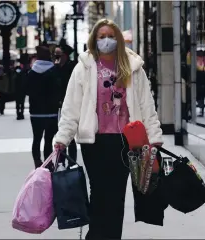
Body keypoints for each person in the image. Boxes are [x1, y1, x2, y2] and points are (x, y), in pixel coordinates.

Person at [54, 19, 163, 240]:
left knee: (117, 195)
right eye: (101, 36)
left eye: (110, 36)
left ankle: (111, 236)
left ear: (119, 39)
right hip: (95, 142)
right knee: (99, 193)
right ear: (94, 39)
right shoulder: (84, 67)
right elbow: (71, 107)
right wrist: (63, 138)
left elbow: (146, 104)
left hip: (126, 141)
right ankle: (95, 235)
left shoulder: (133, 67)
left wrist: (154, 136)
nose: (106, 41)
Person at [26, 45, 61, 169]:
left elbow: (27, 90)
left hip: (35, 112)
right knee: (48, 139)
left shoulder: (31, 73)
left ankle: (37, 162)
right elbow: (58, 89)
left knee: (36, 138)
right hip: (51, 112)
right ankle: (48, 162)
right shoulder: (54, 71)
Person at [54, 41, 78, 162]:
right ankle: (61, 160)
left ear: (65, 55)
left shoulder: (72, 67)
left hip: (69, 104)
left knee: (71, 136)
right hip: (58, 105)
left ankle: (72, 160)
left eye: (59, 55)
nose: (57, 58)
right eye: (55, 55)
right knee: (60, 134)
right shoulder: (56, 68)